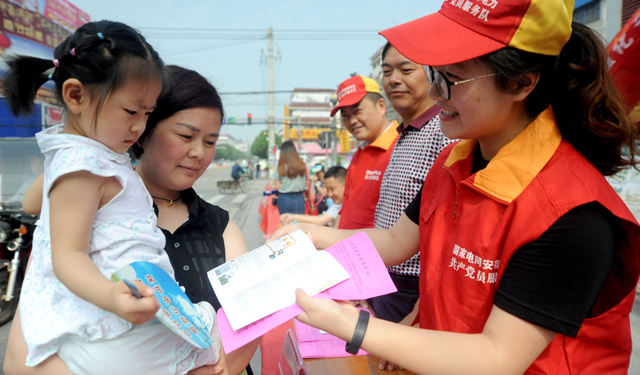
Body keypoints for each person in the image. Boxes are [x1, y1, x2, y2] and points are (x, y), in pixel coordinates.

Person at [269, 0, 640, 373]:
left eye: (452, 78)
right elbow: (396, 242)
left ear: (521, 82)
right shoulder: (453, 161)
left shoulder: (571, 215)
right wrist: (310, 236)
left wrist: (353, 326)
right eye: (434, 74)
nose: (434, 93)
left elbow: (497, 358)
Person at [4, 65, 261, 375]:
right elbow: (23, 358)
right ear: (142, 130)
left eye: (210, 141)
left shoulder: (220, 226)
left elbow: (251, 317)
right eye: (185, 135)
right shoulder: (82, 211)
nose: (199, 153)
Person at [367, 41, 454, 346]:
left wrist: (420, 310)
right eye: (387, 71)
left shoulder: (443, 132)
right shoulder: (404, 134)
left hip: (415, 289)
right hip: (383, 279)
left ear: (433, 75)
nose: (393, 79)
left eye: (406, 69)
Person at [331, 75, 398, 230]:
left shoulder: (400, 149)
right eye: (345, 116)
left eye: (358, 111)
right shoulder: (360, 151)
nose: (352, 121)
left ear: (381, 106)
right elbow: (346, 207)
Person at [279, 166, 346, 227]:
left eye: (332, 189)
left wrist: (292, 216)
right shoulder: (338, 205)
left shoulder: (344, 205)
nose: (329, 194)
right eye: (327, 190)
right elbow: (321, 220)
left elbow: (321, 221)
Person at [273, 140, 307, 215]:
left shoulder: (280, 167)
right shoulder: (303, 166)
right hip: (299, 198)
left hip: (285, 198)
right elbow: (306, 183)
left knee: (286, 223)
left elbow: (277, 187)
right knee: (299, 223)